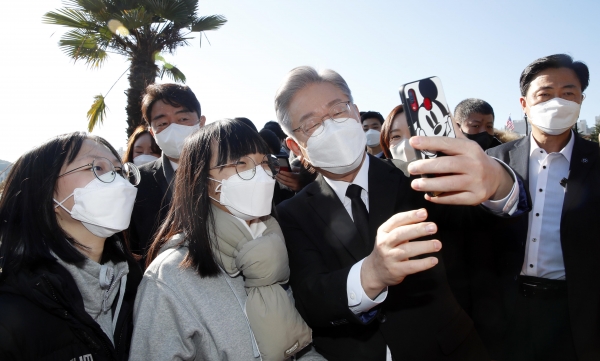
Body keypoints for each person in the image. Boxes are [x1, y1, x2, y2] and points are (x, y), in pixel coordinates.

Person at [273, 66, 528, 361]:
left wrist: (497, 182)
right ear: (295, 146)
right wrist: (372, 274)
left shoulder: (418, 180)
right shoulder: (290, 213)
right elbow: (311, 298)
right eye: (312, 124)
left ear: (356, 114)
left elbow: (489, 224)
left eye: (338, 111)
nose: (330, 126)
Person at [130, 119, 324, 361]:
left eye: (264, 162)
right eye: (240, 163)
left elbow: (299, 350)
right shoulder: (169, 277)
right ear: (202, 179)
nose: (260, 173)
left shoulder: (272, 248)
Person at [484, 54, 600, 361]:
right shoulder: (495, 160)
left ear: (581, 101)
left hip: (576, 313)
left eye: (568, 93)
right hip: (508, 308)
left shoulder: (596, 161)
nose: (557, 102)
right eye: (545, 94)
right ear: (525, 104)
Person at [0, 132, 142, 360]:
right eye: (97, 168)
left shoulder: (137, 285)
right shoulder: (10, 311)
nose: (117, 182)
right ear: (44, 190)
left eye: (118, 171)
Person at [129, 83, 206, 265]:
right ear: (152, 132)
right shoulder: (136, 182)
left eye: (183, 119)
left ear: (201, 123)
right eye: (163, 123)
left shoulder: (226, 172)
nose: (173, 128)